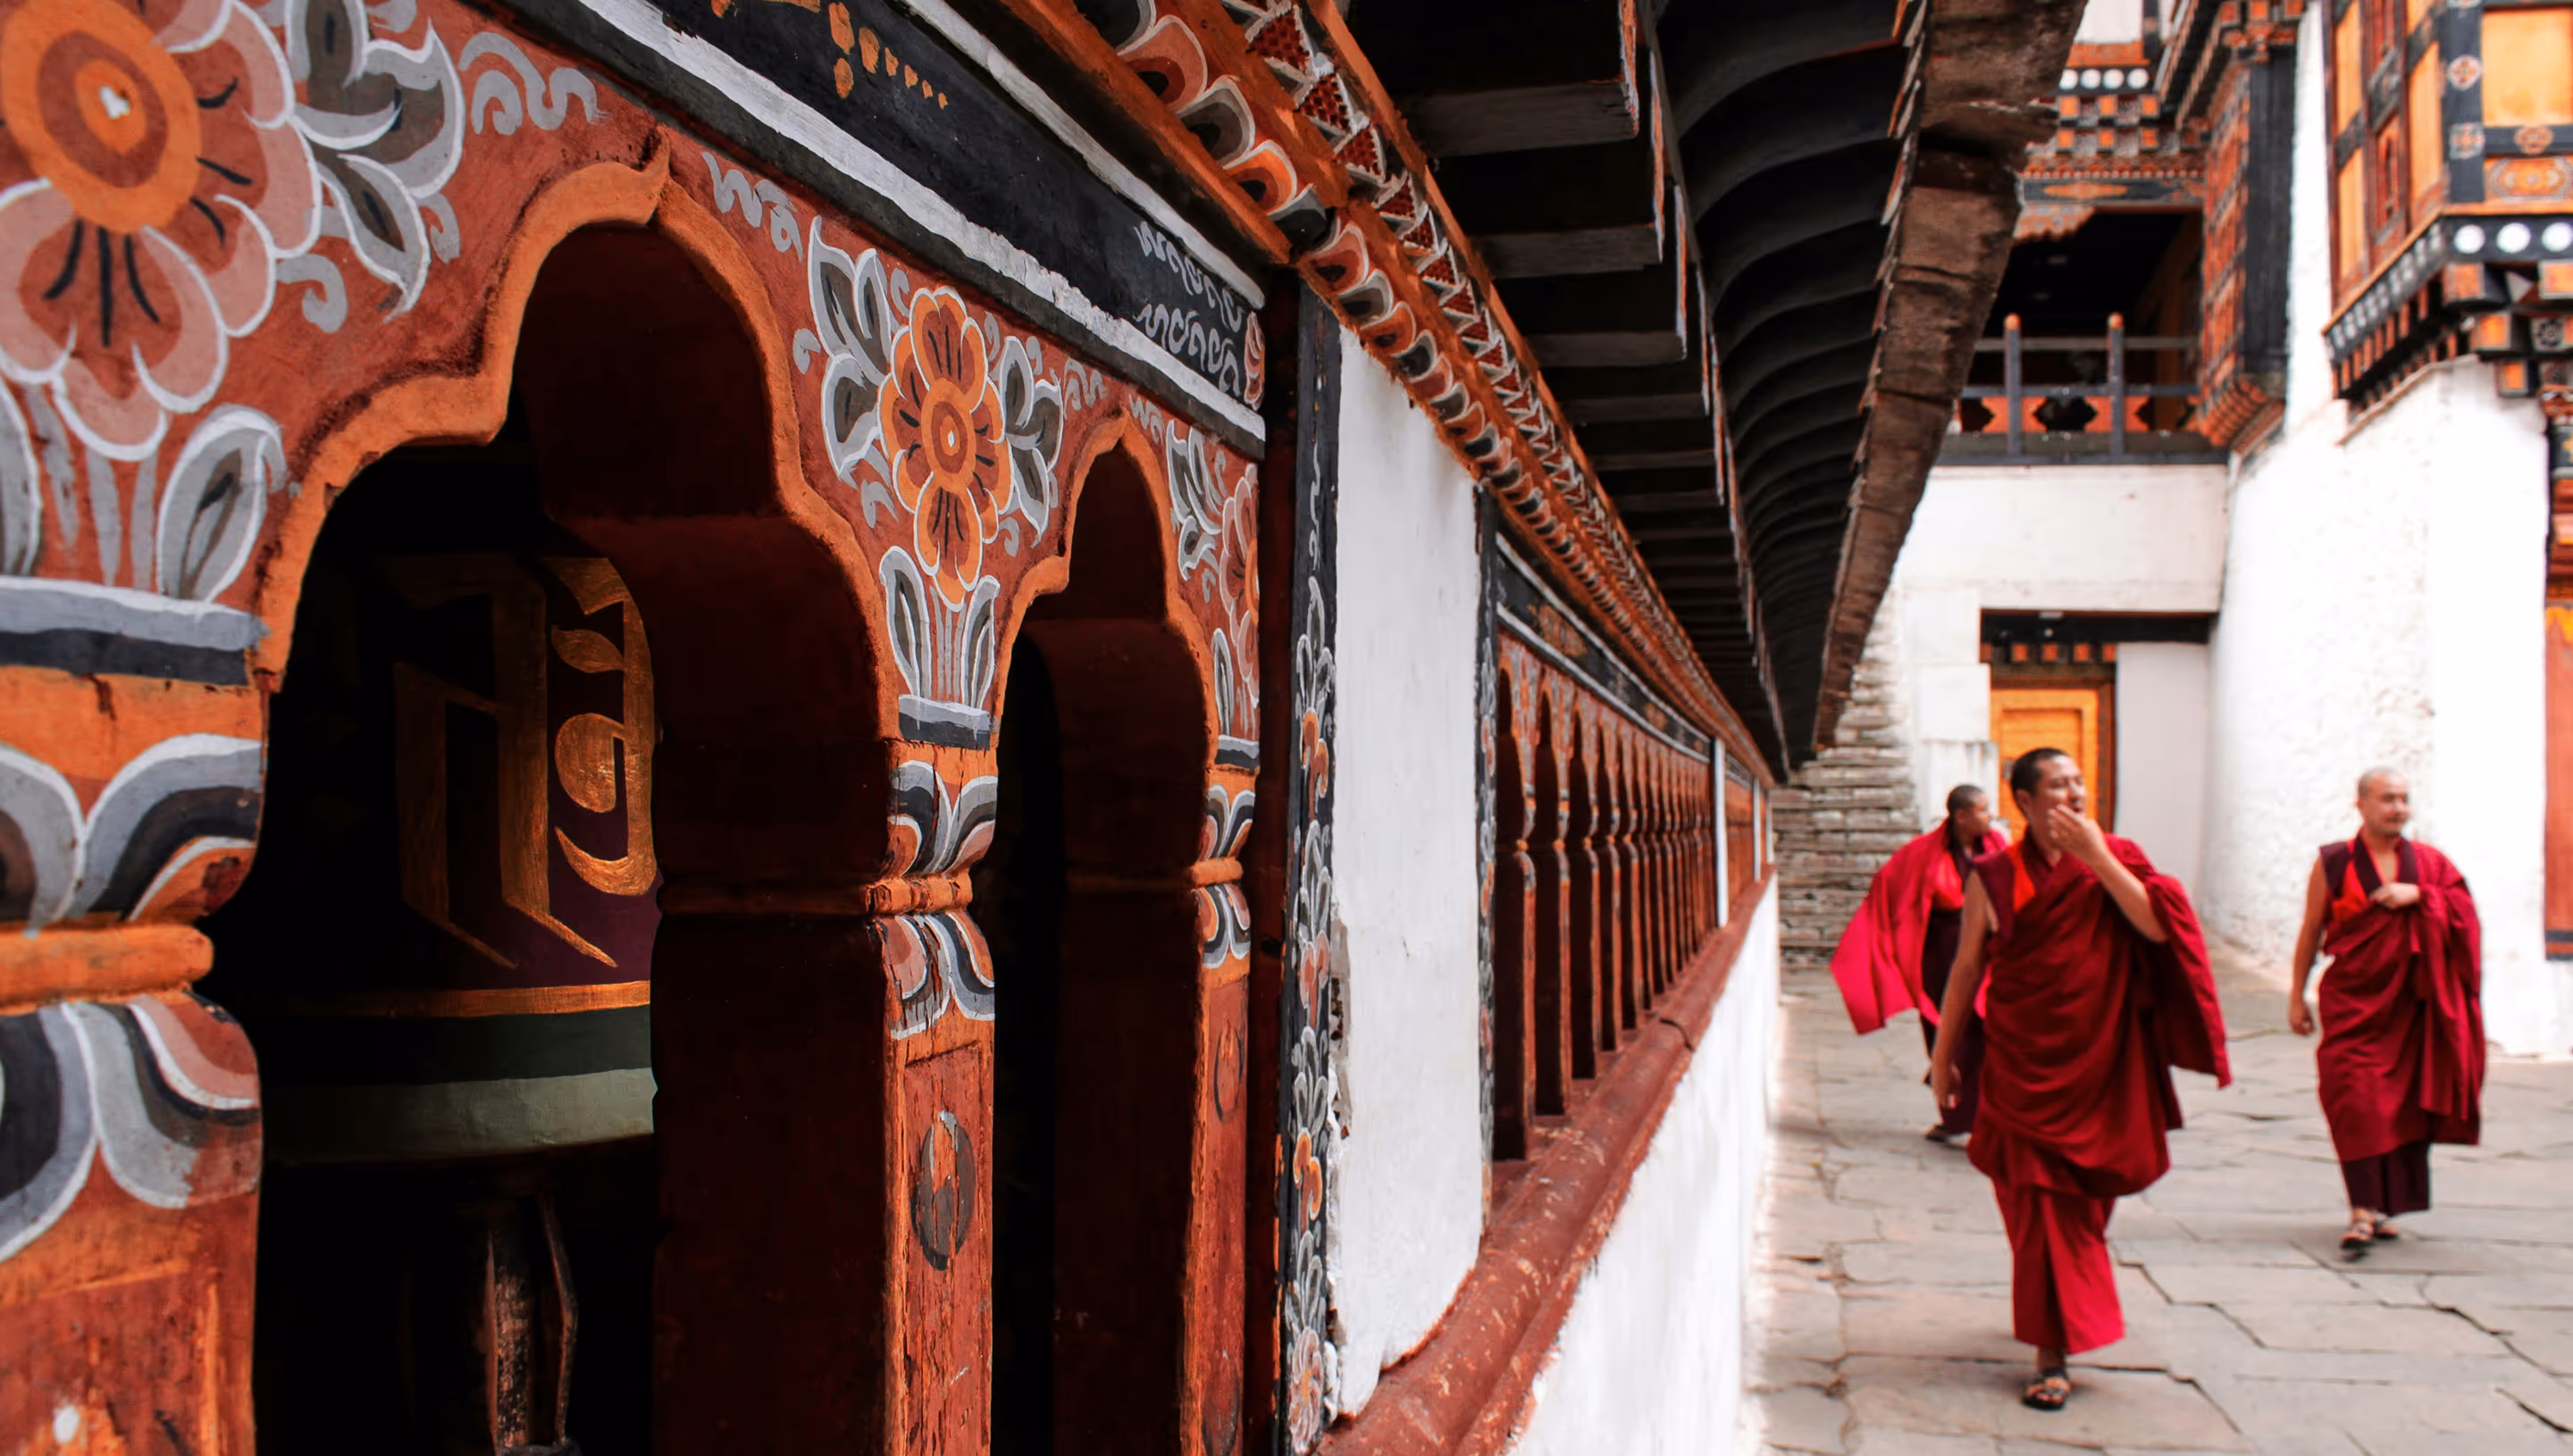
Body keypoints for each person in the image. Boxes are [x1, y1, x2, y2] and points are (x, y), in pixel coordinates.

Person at [1929, 749, 2228, 1412]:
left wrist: (2100, 861)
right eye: (2058, 786)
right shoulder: (1994, 875)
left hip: (2101, 1061)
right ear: (2027, 804)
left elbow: (2156, 925)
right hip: (2021, 1062)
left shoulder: (2117, 855)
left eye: (2080, 782)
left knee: (2081, 1206)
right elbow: (1966, 967)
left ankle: (2049, 1314)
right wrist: (1944, 1054)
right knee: (2035, 1205)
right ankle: (2050, 1353)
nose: (2074, 794)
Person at [2287, 767, 2484, 1256]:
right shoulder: (2334, 863)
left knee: (2401, 1105)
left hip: (2412, 1008)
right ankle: (2362, 1206)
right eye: (2386, 799)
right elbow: (2312, 930)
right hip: (2354, 1004)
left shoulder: (2430, 864)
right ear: (2361, 804)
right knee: (2353, 1099)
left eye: (2403, 798)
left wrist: (2419, 895)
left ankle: (2377, 1208)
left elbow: (2464, 912)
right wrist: (2296, 995)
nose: (2397, 807)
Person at [1827, 784, 2009, 1141]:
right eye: (1983, 810)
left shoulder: (1999, 846)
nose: (1990, 817)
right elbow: (1890, 887)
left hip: (1986, 953)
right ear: (1961, 816)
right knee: (1947, 1032)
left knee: (1987, 1034)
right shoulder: (1925, 854)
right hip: (1941, 956)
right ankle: (1955, 1117)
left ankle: (1989, 1117)